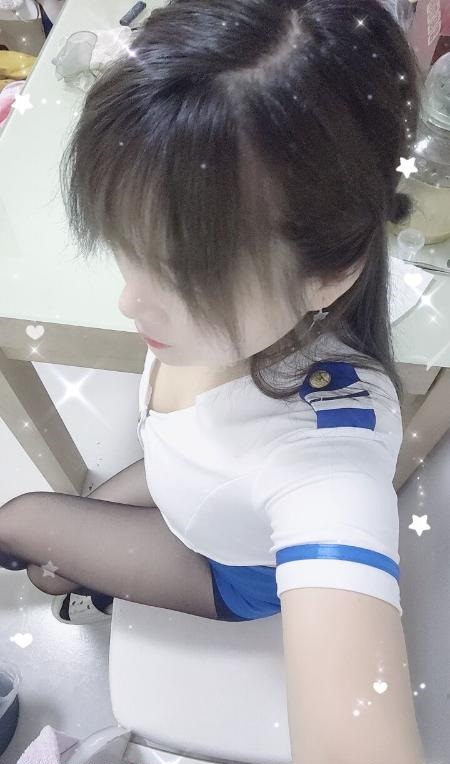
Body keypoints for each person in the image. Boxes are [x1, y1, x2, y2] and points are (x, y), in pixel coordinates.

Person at [1, 0, 423, 627]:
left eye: (185, 276)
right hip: (187, 482)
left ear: (330, 272)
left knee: (32, 543)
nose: (128, 302)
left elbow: (340, 536)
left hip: (232, 574)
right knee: (50, 555)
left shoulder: (325, 458)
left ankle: (91, 588)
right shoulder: (241, 321)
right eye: (126, 250)